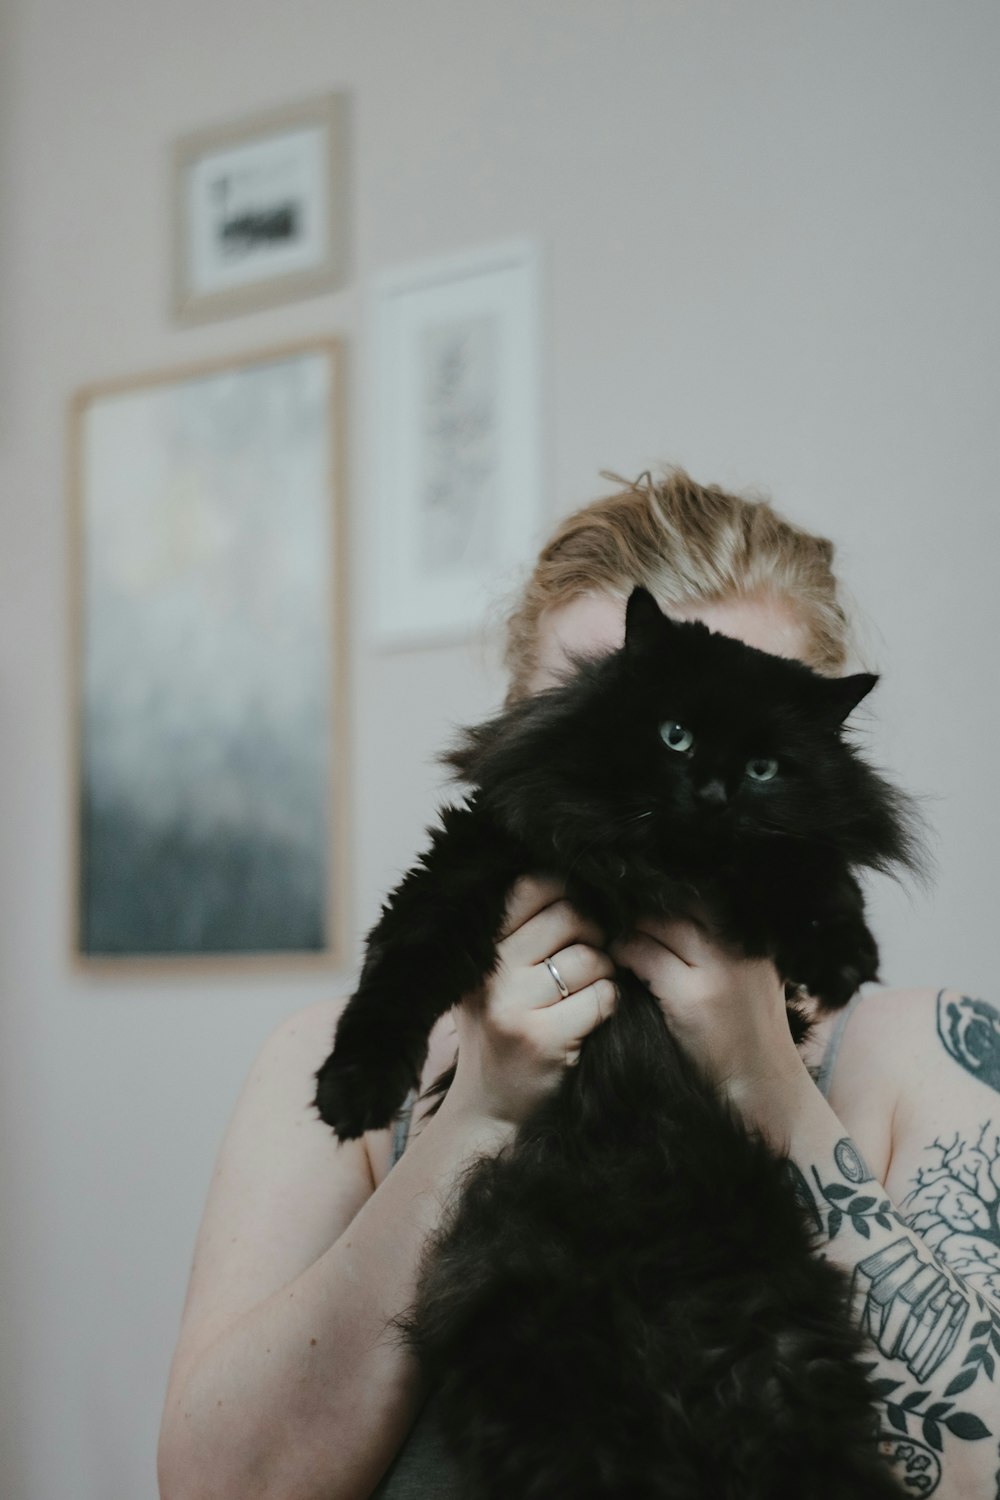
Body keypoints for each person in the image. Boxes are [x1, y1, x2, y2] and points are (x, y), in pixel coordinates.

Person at [157, 471, 1000, 1500]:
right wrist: (476, 1114)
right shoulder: (321, 1059)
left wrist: (766, 1092)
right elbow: (219, 1488)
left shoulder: (928, 1055)